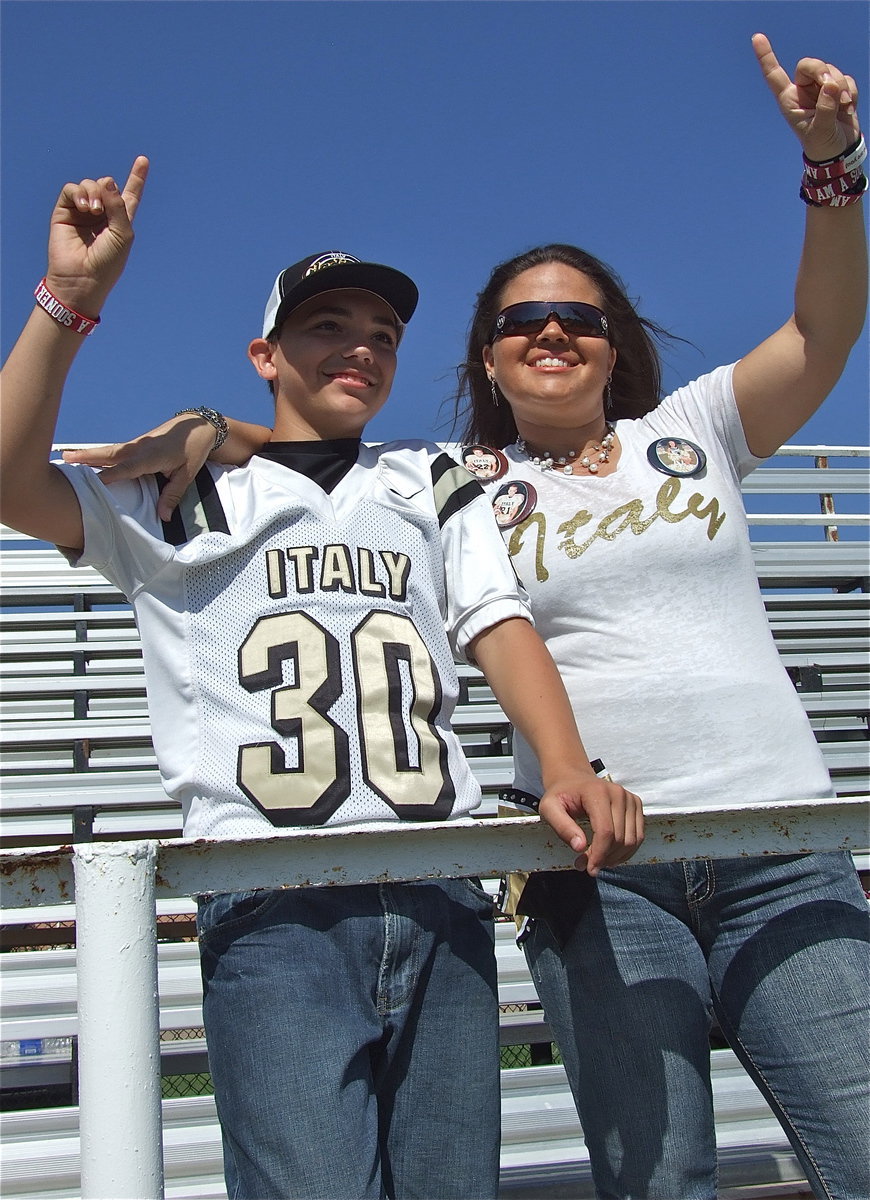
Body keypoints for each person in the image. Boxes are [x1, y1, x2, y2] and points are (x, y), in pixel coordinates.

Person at [87, 32, 869, 1200]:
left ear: (618, 346)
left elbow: (823, 333)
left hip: (778, 845)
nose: (552, 331)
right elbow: (312, 439)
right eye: (520, 322)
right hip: (599, 868)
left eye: (581, 317)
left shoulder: (696, 431)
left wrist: (833, 168)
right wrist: (215, 422)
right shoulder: (449, 479)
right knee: (660, 1183)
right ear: (489, 363)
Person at [0, 159, 643, 1200]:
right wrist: (70, 301)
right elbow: (9, 476)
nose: (362, 348)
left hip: (438, 889)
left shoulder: (427, 480)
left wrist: (565, 762)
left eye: (384, 335)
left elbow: (499, 621)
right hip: (273, 894)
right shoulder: (190, 485)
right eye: (327, 327)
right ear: (265, 354)